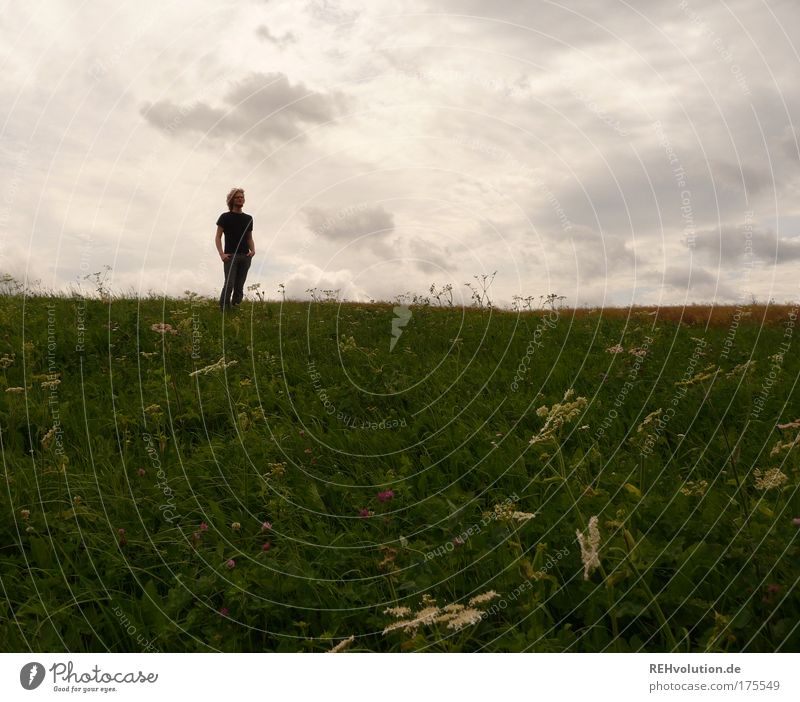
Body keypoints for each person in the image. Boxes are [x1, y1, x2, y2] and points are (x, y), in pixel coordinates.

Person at [215, 187, 255, 311]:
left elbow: (249, 238)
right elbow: (218, 237)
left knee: (239, 286)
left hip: (245, 256)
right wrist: (222, 254)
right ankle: (223, 310)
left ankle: (236, 309)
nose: (240, 199)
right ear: (231, 200)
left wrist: (253, 250)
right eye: (237, 197)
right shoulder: (225, 217)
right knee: (229, 284)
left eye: (242, 197)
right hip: (230, 256)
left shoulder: (248, 218)